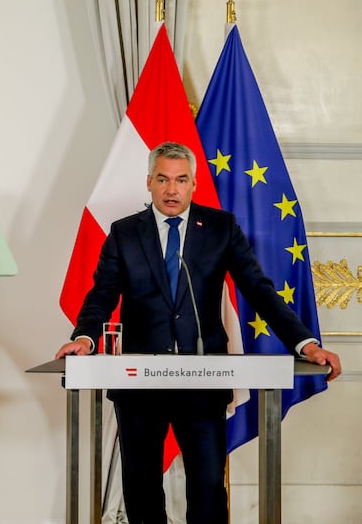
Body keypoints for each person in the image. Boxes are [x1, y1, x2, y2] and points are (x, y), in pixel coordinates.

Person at [55, 142, 341, 524]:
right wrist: (85, 337)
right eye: (163, 179)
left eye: (181, 180)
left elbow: (258, 289)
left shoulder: (220, 228)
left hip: (203, 382)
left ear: (193, 185)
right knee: (140, 488)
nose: (172, 190)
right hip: (139, 384)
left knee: (207, 487)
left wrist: (304, 342)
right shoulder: (124, 234)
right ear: (149, 183)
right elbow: (102, 295)